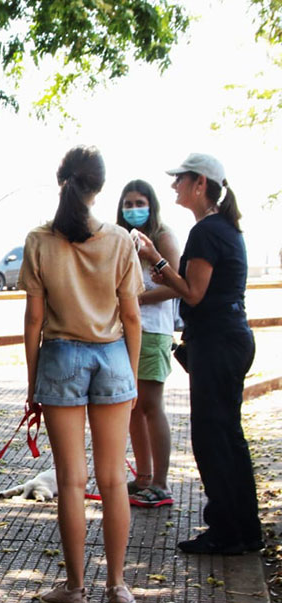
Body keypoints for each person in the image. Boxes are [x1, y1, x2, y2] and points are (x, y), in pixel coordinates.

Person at [19, 146, 142, 603]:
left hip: (61, 356)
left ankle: (75, 589)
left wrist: (33, 384)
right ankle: (118, 589)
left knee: (71, 481)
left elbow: (33, 321)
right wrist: (129, 377)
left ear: (62, 182)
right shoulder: (119, 241)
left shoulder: (39, 240)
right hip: (113, 357)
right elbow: (131, 316)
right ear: (99, 187)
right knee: (113, 480)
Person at [136, 153, 262, 555]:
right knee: (227, 436)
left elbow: (192, 293)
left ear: (200, 184)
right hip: (227, 339)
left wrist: (154, 257)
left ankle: (227, 532)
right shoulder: (223, 228)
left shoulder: (208, 231)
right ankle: (243, 529)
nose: (174, 186)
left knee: (213, 438)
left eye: (180, 180)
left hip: (218, 343)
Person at [115, 180, 180, 508]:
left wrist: (137, 299)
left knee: (152, 406)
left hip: (154, 333)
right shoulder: (119, 237)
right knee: (133, 408)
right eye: (128, 203)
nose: (133, 209)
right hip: (125, 333)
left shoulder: (163, 236)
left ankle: (161, 483)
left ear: (151, 204)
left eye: (139, 202)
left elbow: (177, 285)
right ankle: (143, 477)